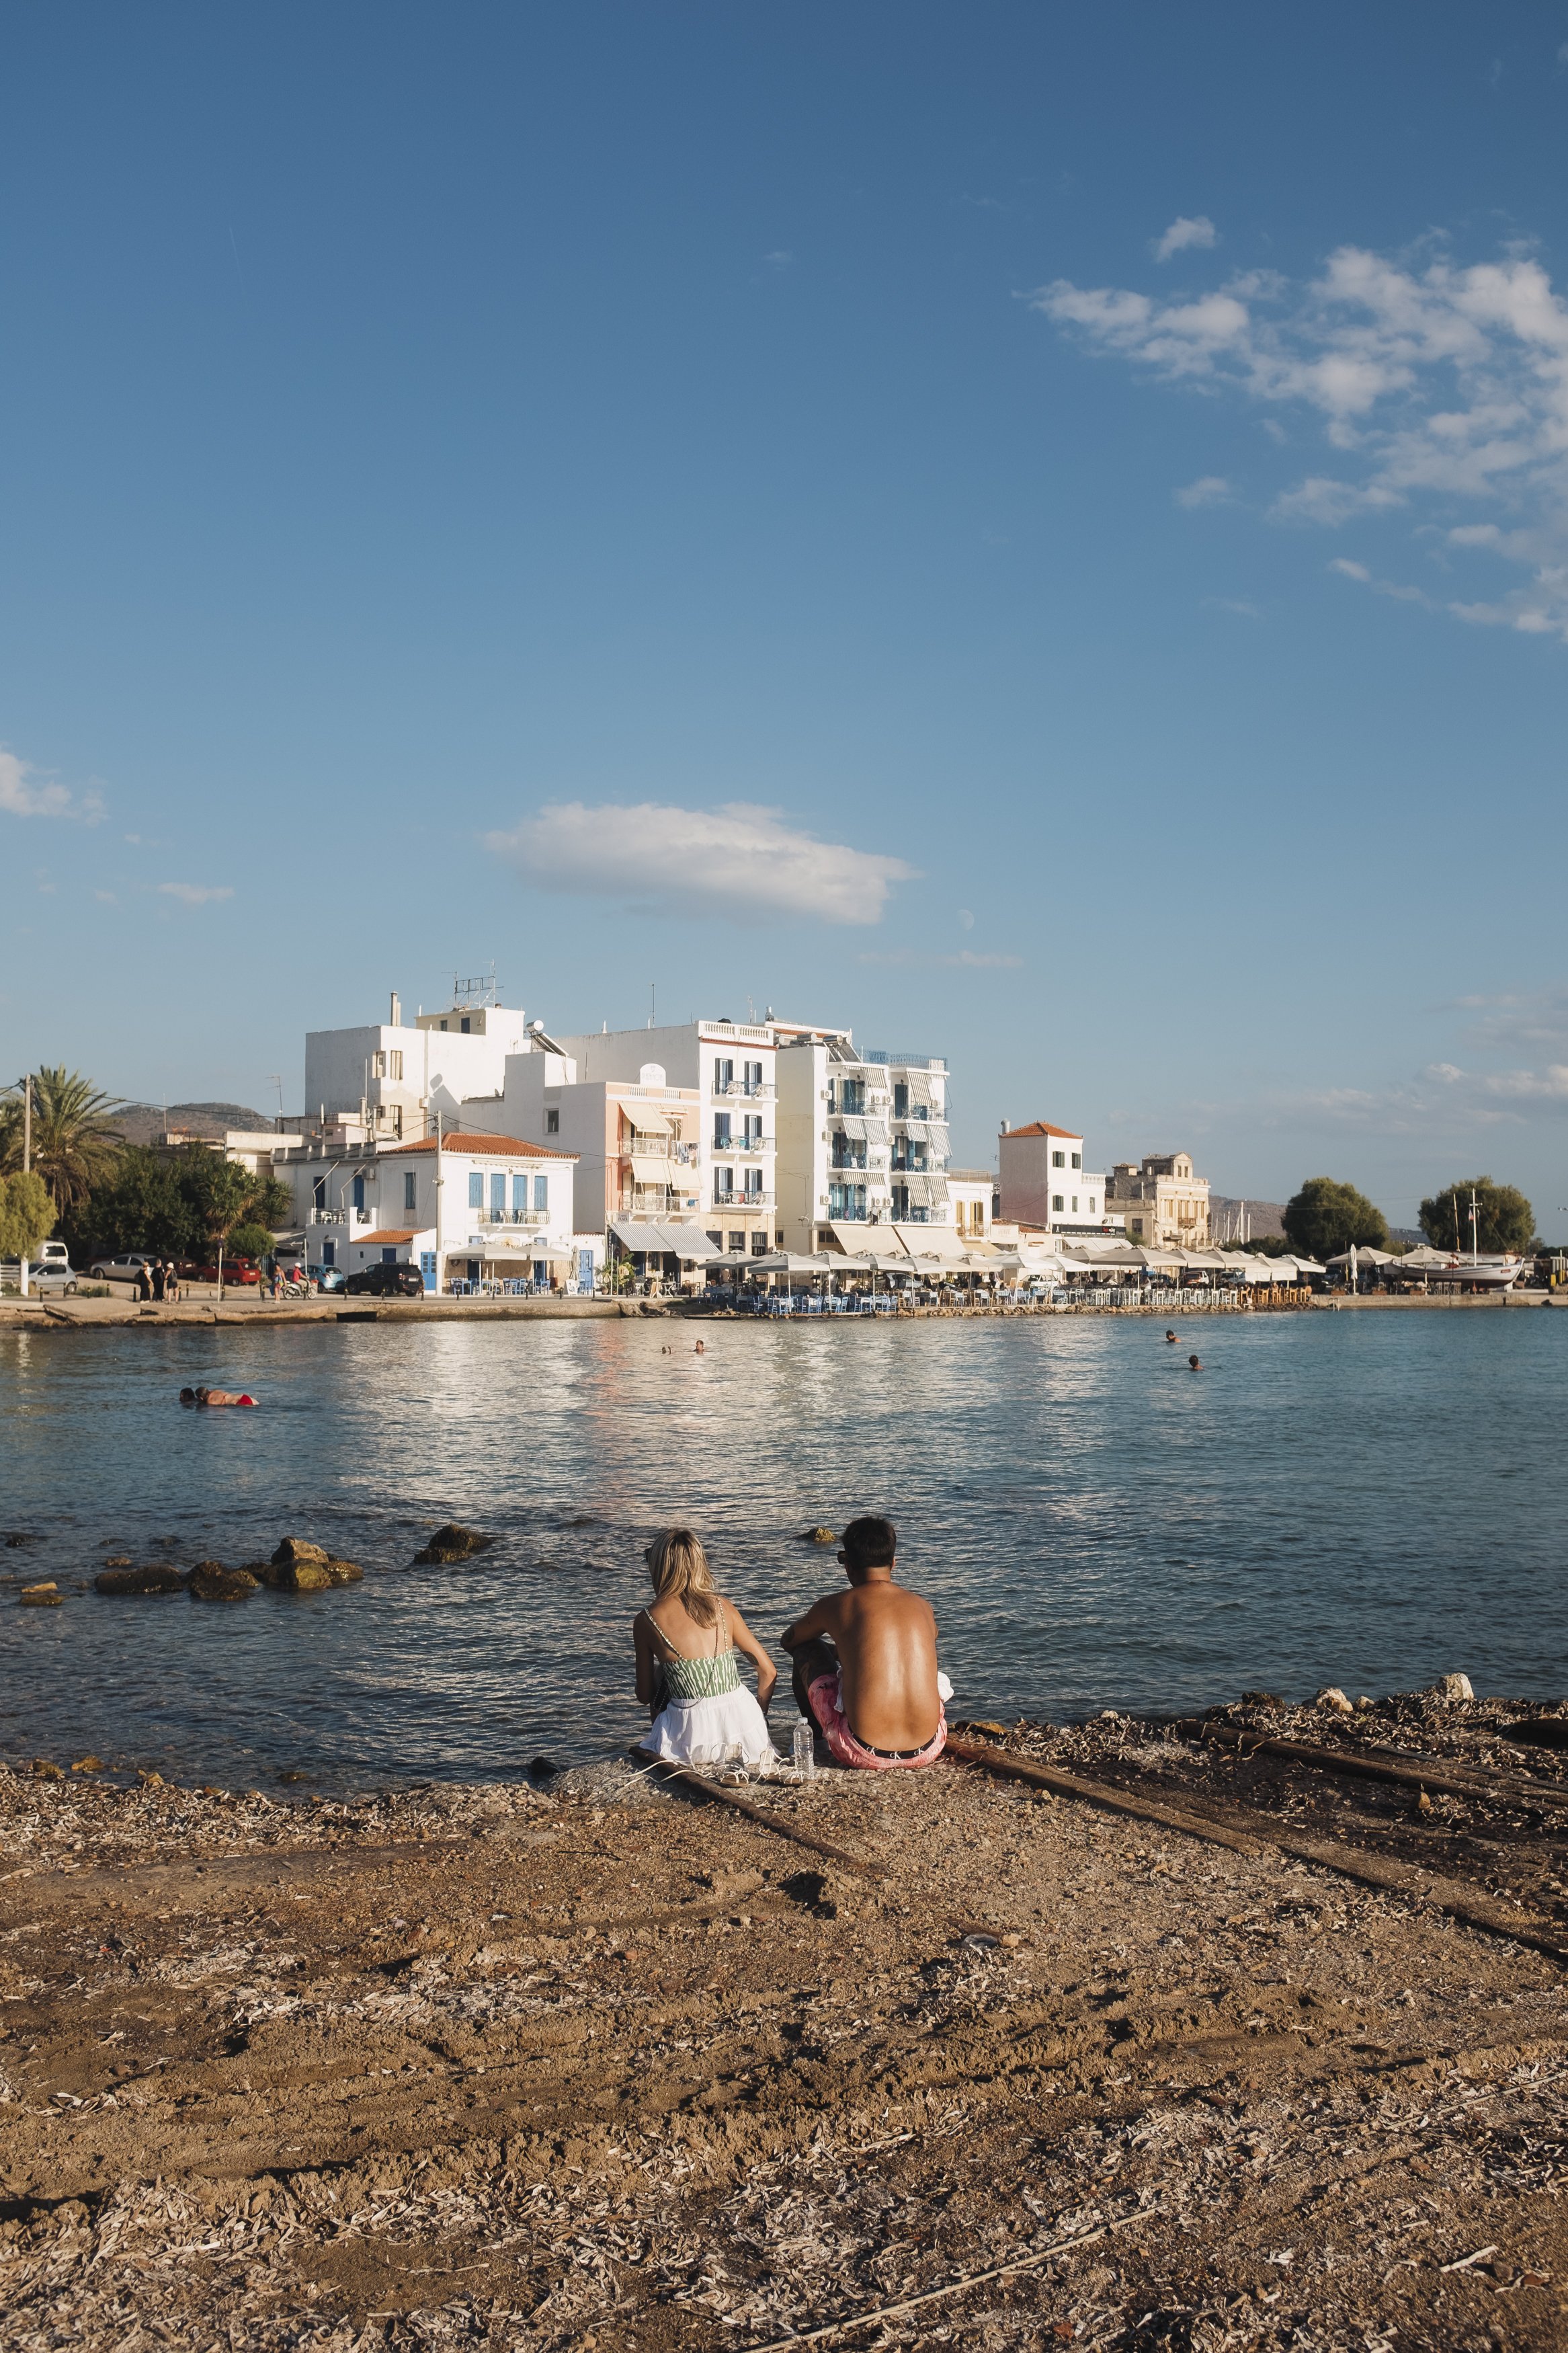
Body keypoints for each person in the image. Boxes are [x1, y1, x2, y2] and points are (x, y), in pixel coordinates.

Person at [782, 1515, 948, 1771]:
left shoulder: (836, 1605)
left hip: (862, 1751)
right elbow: (929, 1637)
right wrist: (848, 1652)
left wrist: (837, 1651)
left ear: (847, 1564)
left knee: (807, 1649)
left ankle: (816, 1742)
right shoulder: (922, 1605)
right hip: (930, 1747)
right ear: (893, 1563)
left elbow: (790, 1641)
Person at [633, 1528, 776, 1769]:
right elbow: (768, 1671)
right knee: (670, 1672)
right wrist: (757, 1718)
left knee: (665, 1678)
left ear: (658, 1566)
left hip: (691, 1740)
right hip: (746, 1735)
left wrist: (668, 1668)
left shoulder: (647, 1619)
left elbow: (644, 1695)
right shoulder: (723, 1607)